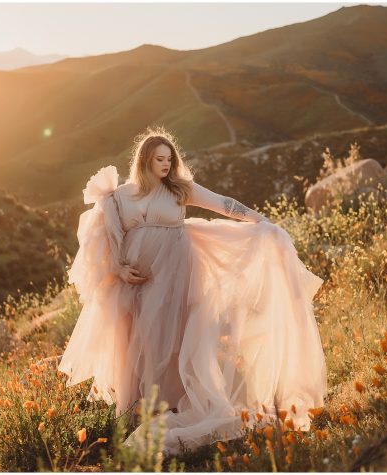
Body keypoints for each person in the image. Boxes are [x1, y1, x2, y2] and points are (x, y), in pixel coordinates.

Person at [57, 127, 327, 453]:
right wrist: (117, 269)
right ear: (144, 161)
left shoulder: (179, 190)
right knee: (136, 341)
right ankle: (135, 409)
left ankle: (171, 403)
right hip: (136, 282)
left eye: (169, 159)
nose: (166, 165)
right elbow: (102, 243)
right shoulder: (119, 196)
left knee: (172, 338)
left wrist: (263, 222)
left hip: (176, 276)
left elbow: (224, 204)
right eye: (159, 159)